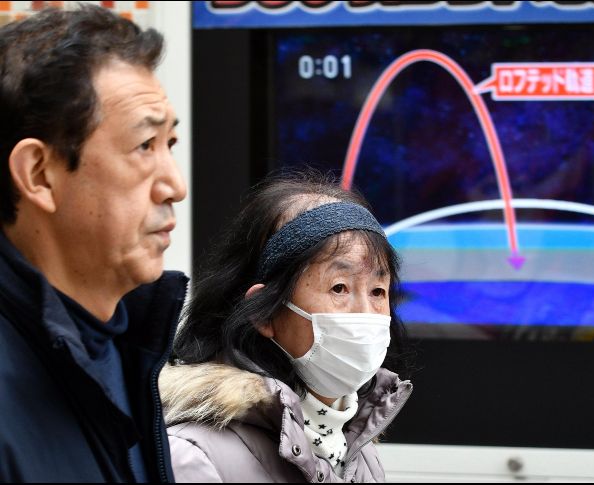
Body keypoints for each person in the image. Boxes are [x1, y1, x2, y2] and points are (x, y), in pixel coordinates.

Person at [0, 5, 187, 482]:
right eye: (145, 146)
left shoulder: (124, 348)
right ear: (39, 175)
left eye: (171, 144)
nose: (175, 185)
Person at [160, 171, 413, 483]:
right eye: (339, 288)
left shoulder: (356, 448)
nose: (366, 313)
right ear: (265, 313)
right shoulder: (192, 456)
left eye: (377, 291)